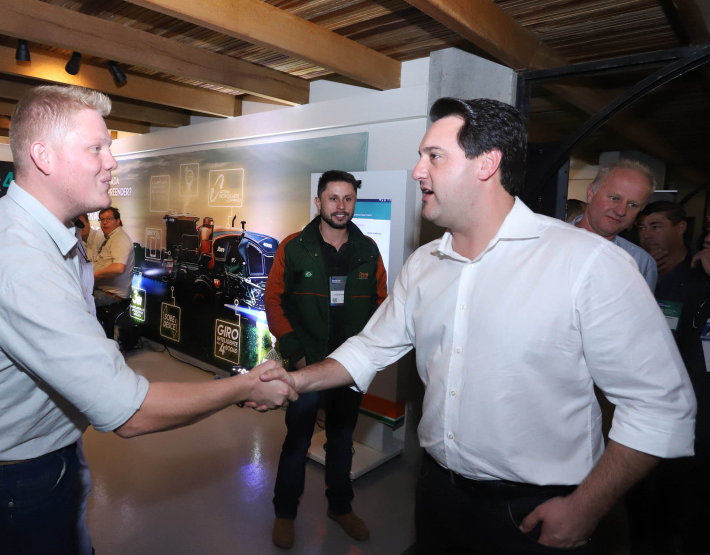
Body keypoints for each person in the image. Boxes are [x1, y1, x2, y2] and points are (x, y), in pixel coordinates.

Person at [258, 97, 696, 554]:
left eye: (434, 156)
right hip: (435, 493)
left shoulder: (588, 264)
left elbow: (661, 408)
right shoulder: (425, 264)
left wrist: (587, 505)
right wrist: (294, 379)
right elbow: (368, 349)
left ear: (487, 164)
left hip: (537, 512)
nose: (417, 171)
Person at [0, 84, 295, 555]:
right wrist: (245, 385)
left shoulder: (25, 228)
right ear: (44, 156)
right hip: (16, 484)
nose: (111, 162)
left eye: (109, 148)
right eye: (96, 148)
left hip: (24, 464)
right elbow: (130, 412)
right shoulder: (20, 259)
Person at [264, 170, 387, 549]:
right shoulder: (294, 247)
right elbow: (274, 301)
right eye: (333, 198)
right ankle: (285, 513)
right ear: (318, 202)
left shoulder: (367, 250)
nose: (341, 206)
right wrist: (297, 356)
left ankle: (341, 507)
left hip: (348, 369)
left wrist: (366, 356)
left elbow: (383, 306)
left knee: (342, 440)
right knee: (297, 443)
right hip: (307, 367)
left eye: (348, 199)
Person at [627, 202, 710, 553]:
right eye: (643, 227)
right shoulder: (637, 272)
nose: (648, 235)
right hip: (640, 407)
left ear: (681, 228)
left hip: (692, 415)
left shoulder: (699, 280)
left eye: (657, 226)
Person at [572, 160, 658, 291]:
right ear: (591, 193)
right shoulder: (548, 242)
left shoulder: (640, 262)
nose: (621, 211)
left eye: (632, 205)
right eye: (614, 198)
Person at [92, 206, 135, 308]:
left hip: (111, 296)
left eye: (109, 219)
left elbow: (119, 268)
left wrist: (92, 275)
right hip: (102, 292)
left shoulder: (120, 238)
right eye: (102, 219)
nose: (105, 222)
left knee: (75, 302)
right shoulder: (111, 237)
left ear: (118, 221)